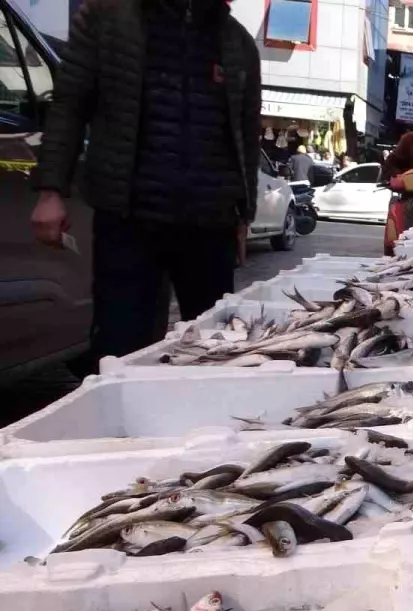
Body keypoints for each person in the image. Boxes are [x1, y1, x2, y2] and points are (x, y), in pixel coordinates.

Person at [30, 0, 261, 366]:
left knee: (215, 349)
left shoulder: (237, 43)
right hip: (127, 217)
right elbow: (68, 108)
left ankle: (201, 423)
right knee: (121, 346)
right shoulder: (106, 20)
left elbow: (246, 136)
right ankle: (118, 422)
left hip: (210, 221)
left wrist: (244, 214)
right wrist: (50, 191)